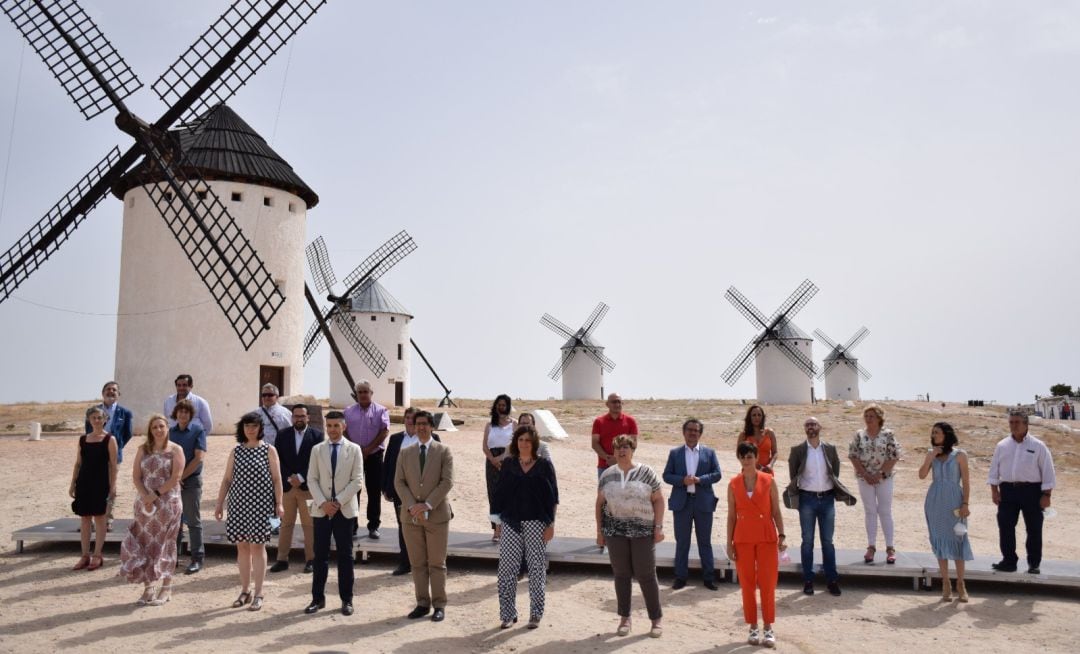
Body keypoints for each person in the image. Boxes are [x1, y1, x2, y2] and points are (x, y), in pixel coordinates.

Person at [214, 412, 285, 612]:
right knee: (242, 547)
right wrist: (220, 503)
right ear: (242, 428)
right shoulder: (236, 451)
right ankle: (245, 591)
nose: (250, 429)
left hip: (262, 507)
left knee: (258, 547)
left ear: (260, 428)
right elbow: (227, 479)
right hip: (238, 506)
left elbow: (277, 479)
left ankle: (259, 592)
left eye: (254, 426)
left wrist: (279, 504)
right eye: (247, 426)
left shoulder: (269, 450)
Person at [595, 434, 664, 638]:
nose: (621, 450)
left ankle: (656, 619)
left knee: (646, 575)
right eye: (618, 448)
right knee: (621, 575)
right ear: (614, 452)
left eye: (625, 447)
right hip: (615, 533)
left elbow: (658, 500)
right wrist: (599, 531)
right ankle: (625, 618)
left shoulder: (646, 472)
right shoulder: (607, 475)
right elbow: (599, 504)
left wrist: (658, 527)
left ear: (632, 449)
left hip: (643, 532)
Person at [493, 424, 559, 629]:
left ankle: (535, 614)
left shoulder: (544, 466)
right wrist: (497, 524)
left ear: (534, 443)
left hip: (537, 523)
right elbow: (499, 495)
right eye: (520, 440)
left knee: (536, 569)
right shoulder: (509, 464)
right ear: (516, 442)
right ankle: (507, 614)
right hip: (510, 522)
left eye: (528, 440)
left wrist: (551, 524)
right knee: (506, 570)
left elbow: (553, 497)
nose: (524, 444)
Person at [394, 410, 454, 622]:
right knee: (417, 563)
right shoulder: (405, 453)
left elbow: (446, 482)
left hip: (436, 516)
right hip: (411, 517)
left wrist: (427, 504)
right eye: (417, 423)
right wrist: (413, 506)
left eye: (424, 424)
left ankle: (439, 605)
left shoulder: (444, 451)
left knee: (437, 563)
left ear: (431, 426)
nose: (420, 427)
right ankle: (422, 603)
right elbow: (399, 482)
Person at [119, 414, 184, 605]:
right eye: (154, 427)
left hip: (167, 503)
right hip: (145, 505)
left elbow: (175, 478)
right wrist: (145, 496)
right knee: (144, 543)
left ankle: (166, 587)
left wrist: (154, 495)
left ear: (167, 428)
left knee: (167, 544)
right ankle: (148, 588)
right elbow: (136, 476)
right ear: (150, 430)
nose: (158, 430)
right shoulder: (143, 450)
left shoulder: (175, 450)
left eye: (161, 426)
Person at [786, 417, 855, 596]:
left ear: (820, 427)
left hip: (827, 499)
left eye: (813, 424)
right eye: (807, 424)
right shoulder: (798, 450)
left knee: (827, 542)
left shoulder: (830, 449)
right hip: (807, 499)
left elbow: (835, 471)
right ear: (804, 428)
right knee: (807, 541)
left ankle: (831, 580)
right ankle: (808, 580)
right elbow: (793, 474)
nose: (811, 427)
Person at [727, 441, 786, 649]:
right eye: (742, 457)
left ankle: (768, 627)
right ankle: (753, 625)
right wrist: (729, 543)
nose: (746, 460)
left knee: (768, 583)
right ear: (739, 459)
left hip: (766, 536)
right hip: (742, 537)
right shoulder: (733, 483)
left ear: (756, 458)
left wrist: (782, 534)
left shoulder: (769, 480)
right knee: (747, 584)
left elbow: (776, 510)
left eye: (750, 456)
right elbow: (731, 516)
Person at [305, 410, 364, 616]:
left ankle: (347, 600)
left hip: (344, 510)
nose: (332, 430)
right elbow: (311, 478)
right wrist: (323, 503)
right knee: (319, 556)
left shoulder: (354, 449)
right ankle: (317, 599)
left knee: (345, 557)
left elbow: (357, 480)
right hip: (322, 511)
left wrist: (337, 502)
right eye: (329, 426)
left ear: (344, 426)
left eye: (336, 426)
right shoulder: (317, 450)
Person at [988, 409, 1056, 574]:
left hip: (1032, 491)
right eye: (1011, 422)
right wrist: (994, 491)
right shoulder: (1002, 445)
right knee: (1005, 525)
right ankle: (1009, 561)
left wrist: (1046, 495)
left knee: (1033, 528)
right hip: (1008, 491)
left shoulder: (1038, 446)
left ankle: (1034, 563)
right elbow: (994, 470)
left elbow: (1048, 471)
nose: (1013, 425)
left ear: (1026, 424)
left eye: (1017, 422)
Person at [662, 418, 722, 590]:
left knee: (705, 542)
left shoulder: (709, 453)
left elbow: (717, 474)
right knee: (682, 542)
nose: (693, 433)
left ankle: (709, 578)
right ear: (684, 432)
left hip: (703, 503)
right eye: (690, 430)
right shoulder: (675, 453)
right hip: (682, 503)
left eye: (696, 430)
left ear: (700, 433)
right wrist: (682, 480)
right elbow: (666, 475)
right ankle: (680, 577)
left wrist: (700, 480)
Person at [382, 407, 441, 576]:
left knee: (426, 526)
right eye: (407, 417)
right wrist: (386, 487)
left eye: (413, 418)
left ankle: (426, 564)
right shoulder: (395, 439)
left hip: (425, 492)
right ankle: (404, 563)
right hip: (401, 491)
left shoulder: (433, 438)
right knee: (404, 527)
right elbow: (388, 464)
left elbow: (439, 465)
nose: (410, 420)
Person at [918, 422, 973, 601]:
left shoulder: (960, 455)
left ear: (946, 434)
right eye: (932, 433)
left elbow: (965, 481)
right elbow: (921, 475)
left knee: (958, 539)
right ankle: (946, 583)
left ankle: (961, 584)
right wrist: (930, 457)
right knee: (940, 542)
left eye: (937, 433)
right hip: (935, 501)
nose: (934, 435)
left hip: (954, 501)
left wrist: (965, 503)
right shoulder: (931, 454)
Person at [270, 403, 324, 574]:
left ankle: (311, 559)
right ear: (292, 417)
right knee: (285, 524)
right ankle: (282, 559)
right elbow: (277, 459)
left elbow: (317, 462)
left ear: (308, 418)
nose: (299, 419)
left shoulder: (317, 436)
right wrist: (289, 477)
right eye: (296, 416)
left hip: (308, 488)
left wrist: (300, 477)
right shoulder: (282, 435)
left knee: (309, 526)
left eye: (302, 416)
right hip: (287, 487)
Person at [848, 404, 902, 564]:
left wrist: (880, 474)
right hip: (864, 478)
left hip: (884, 478)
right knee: (870, 510)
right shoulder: (859, 435)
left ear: (879, 418)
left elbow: (894, 455)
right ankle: (871, 546)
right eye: (866, 416)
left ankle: (890, 548)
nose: (868, 419)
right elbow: (853, 455)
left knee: (885, 510)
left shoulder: (888, 434)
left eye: (871, 416)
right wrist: (865, 474)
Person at [69, 406, 118, 571]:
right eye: (93, 417)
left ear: (105, 420)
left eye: (99, 417)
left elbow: (113, 465)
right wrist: (72, 483)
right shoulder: (83, 439)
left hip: (101, 483)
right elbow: (78, 463)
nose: (97, 420)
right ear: (89, 420)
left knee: (100, 519)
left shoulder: (110, 439)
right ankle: (84, 555)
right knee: (84, 519)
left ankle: (97, 555)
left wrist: (113, 486)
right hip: (84, 483)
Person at [344, 380, 390, 539]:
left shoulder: (381, 410)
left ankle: (373, 526)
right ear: (356, 394)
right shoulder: (348, 411)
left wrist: (368, 449)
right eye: (360, 392)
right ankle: (352, 526)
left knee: (374, 491)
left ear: (371, 393)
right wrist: (356, 449)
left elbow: (384, 431)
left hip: (374, 455)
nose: (363, 394)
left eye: (366, 391)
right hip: (352, 455)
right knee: (353, 490)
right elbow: (344, 431)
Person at [85, 381, 133, 530]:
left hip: (114, 456)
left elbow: (128, 434)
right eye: (108, 389)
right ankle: (92, 518)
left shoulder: (125, 413)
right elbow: (88, 431)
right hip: (94, 455)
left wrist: (115, 447)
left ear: (118, 394)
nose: (111, 392)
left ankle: (107, 519)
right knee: (93, 485)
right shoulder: (93, 411)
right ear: (102, 393)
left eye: (114, 390)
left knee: (111, 486)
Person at [169, 399, 207, 574]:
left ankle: (197, 558)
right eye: (180, 411)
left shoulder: (198, 431)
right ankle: (173, 557)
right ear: (176, 413)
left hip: (190, 481)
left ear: (190, 415)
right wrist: (174, 479)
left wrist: (180, 477)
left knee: (193, 521)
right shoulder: (169, 432)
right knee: (174, 520)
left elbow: (199, 457)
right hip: (172, 483)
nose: (183, 414)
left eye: (186, 412)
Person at [483, 394, 516, 542]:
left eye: (503, 405)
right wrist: (492, 459)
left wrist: (501, 458)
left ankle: (508, 529)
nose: (501, 407)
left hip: (508, 460)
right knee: (494, 495)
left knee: (508, 495)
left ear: (507, 407)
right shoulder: (489, 425)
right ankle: (496, 529)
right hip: (491, 462)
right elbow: (484, 445)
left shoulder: (514, 424)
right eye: (498, 405)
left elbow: (514, 444)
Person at [592, 393, 638, 478]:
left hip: (625, 466)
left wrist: (619, 460)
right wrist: (607, 458)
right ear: (607, 404)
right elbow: (595, 443)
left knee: (626, 491)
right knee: (604, 491)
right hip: (604, 466)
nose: (617, 404)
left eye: (619, 402)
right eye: (614, 402)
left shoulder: (630, 421)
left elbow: (633, 444)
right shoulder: (599, 422)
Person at [737, 405, 778, 474]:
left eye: (759, 415)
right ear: (749, 417)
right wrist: (750, 464)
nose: (757, 417)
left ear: (763, 417)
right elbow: (739, 454)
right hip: (749, 472)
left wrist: (770, 465)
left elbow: (775, 452)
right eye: (754, 415)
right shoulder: (743, 435)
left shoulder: (770, 433)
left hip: (766, 471)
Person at [255, 383, 292, 447]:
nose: (266, 397)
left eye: (270, 395)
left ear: (277, 397)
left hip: (279, 450)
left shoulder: (285, 413)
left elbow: (291, 432)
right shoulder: (255, 413)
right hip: (259, 450)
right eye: (264, 395)